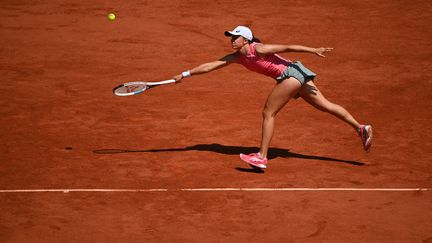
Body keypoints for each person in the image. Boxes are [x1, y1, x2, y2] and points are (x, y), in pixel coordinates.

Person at [173, 26, 372, 169]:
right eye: (231, 37)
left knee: (268, 112)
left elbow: (287, 47)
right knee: (326, 106)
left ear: (246, 40)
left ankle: (261, 156)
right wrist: (184, 74)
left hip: (291, 75)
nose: (232, 39)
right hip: (298, 75)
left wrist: (314, 50)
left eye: (236, 36)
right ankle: (361, 127)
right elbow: (210, 65)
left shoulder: (258, 49)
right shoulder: (237, 57)